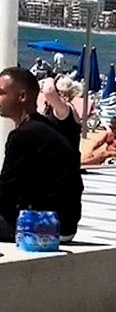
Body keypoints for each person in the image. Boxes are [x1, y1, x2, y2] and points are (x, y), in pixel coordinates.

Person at [0, 67, 83, 242]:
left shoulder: (24, 135)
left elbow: (5, 193)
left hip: (45, 226)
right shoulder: (42, 127)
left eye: (1, 93)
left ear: (21, 97)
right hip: (63, 222)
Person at [39, 75, 82, 154]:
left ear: (61, 93)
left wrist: (50, 78)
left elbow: (48, 91)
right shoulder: (67, 109)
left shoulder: (64, 110)